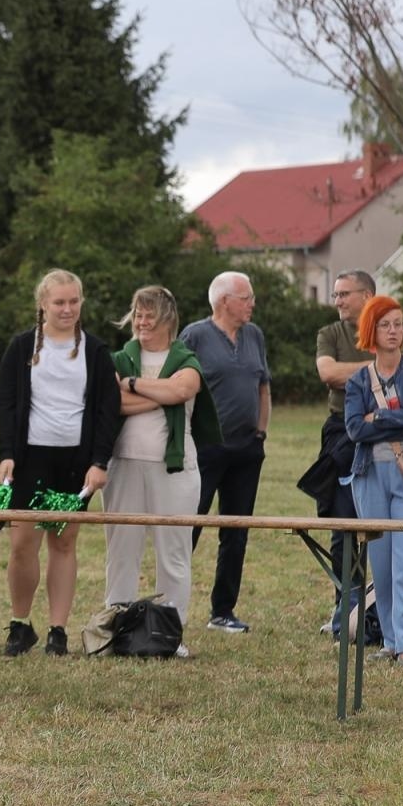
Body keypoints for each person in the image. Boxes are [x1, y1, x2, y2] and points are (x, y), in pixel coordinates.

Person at [0, 269, 121, 658]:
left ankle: (57, 630)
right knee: (21, 544)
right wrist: (8, 454)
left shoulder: (96, 351)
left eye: (73, 301)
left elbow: (106, 410)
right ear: (43, 305)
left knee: (63, 543)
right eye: (59, 302)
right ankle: (20, 625)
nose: (67, 309)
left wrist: (99, 462)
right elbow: (8, 402)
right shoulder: (21, 347)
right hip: (31, 457)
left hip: (76, 461)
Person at [105, 286, 218, 657]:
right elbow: (113, 403)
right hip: (125, 464)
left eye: (148, 315)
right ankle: (116, 630)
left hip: (176, 468)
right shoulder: (121, 358)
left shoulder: (186, 358)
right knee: (122, 548)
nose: (140, 322)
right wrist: (159, 393)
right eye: (137, 314)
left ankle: (170, 634)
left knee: (174, 552)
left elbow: (182, 391)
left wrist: (137, 386)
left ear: (167, 319)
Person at [344, 295, 403, 670]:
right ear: (371, 330)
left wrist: (379, 417)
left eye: (399, 323)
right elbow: (353, 429)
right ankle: (389, 639)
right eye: (386, 324)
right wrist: (398, 419)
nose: (394, 331)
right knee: (381, 564)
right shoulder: (357, 380)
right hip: (369, 477)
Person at [314, 270, 403, 635]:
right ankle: (346, 610)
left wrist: (358, 372)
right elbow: (328, 374)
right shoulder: (330, 334)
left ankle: (382, 608)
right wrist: (377, 367)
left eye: (344, 294)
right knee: (343, 522)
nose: (337, 301)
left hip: (388, 433)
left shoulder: (393, 322)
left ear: (367, 294)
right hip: (342, 430)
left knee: (382, 524)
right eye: (335, 295)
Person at [180, 271, 270, 635]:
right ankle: (172, 606)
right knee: (190, 526)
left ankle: (223, 610)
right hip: (206, 448)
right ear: (223, 302)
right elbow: (180, 385)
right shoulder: (195, 335)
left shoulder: (254, 335)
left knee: (236, 531)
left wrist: (261, 433)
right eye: (246, 297)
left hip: (247, 449)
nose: (252, 303)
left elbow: (263, 384)